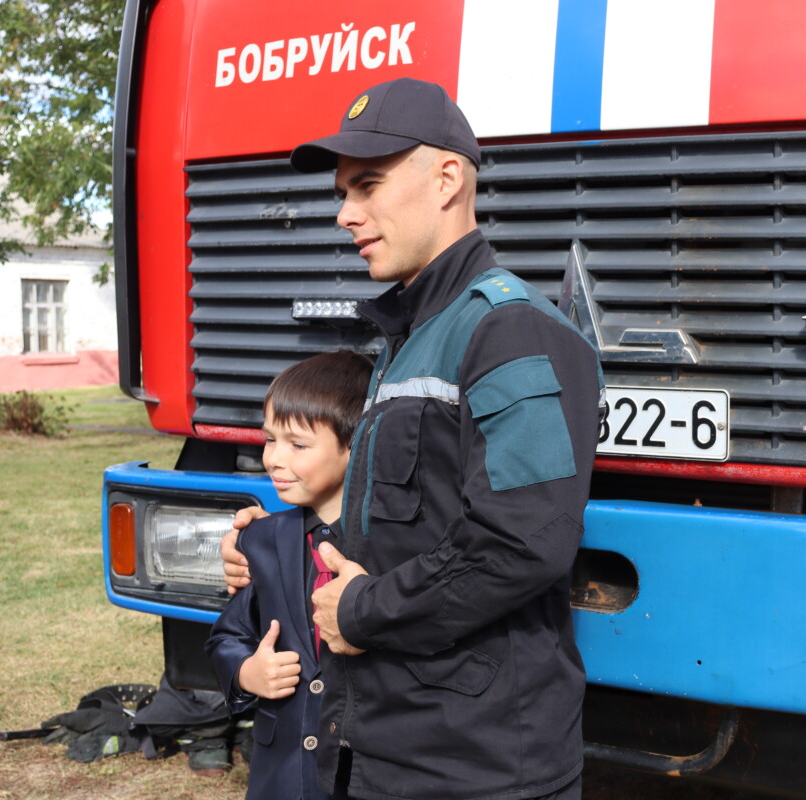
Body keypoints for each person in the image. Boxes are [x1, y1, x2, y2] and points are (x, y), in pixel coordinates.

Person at [219, 77, 603, 800]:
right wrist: (268, 549)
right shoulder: (412, 338)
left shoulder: (509, 331)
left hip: (477, 765)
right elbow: (396, 524)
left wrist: (364, 612)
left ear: (448, 178)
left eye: (367, 186)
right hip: (390, 746)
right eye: (342, 192)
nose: (345, 214)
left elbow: (523, 542)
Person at [207, 350, 374, 800]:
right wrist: (247, 672)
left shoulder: (387, 547)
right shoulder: (260, 540)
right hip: (280, 776)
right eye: (269, 439)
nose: (274, 459)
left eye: (298, 445)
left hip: (363, 775)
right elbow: (227, 636)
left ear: (356, 446)